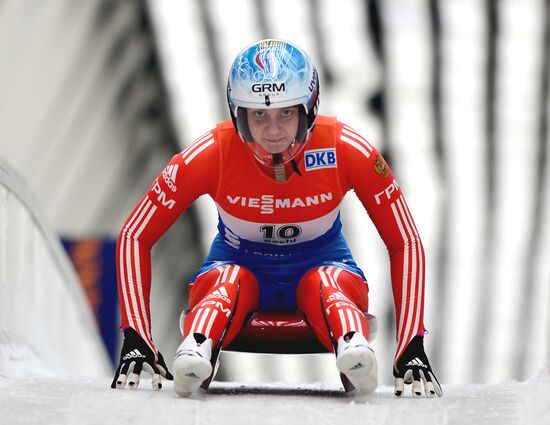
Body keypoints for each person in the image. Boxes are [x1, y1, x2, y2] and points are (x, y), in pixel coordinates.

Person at [110, 39, 442, 398]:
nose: (272, 131)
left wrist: (411, 344)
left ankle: (354, 351)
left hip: (324, 270)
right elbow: (135, 235)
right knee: (227, 280)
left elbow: (404, 240)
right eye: (258, 115)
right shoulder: (208, 154)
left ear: (308, 109)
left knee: (327, 283)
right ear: (239, 114)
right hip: (237, 271)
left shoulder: (347, 150)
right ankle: (196, 350)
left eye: (286, 113)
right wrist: (137, 335)